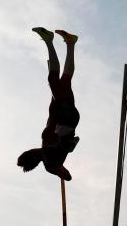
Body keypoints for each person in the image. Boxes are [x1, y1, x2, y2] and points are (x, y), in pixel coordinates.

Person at [17, 27, 80, 181]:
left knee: (64, 80)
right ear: (30, 153)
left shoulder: (50, 164)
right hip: (65, 116)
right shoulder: (47, 148)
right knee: (54, 80)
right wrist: (56, 168)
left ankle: (70, 44)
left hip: (67, 117)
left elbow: (67, 176)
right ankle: (50, 41)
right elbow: (52, 118)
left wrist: (57, 169)